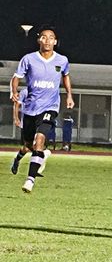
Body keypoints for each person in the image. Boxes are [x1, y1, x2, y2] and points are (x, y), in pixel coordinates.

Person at [10, 26, 73, 192]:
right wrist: (14, 92)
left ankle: (30, 180)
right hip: (31, 109)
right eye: (44, 37)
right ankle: (20, 158)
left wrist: (69, 95)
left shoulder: (62, 60)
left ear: (55, 41)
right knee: (29, 145)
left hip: (50, 107)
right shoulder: (29, 59)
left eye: (51, 37)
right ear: (39, 40)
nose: (47, 40)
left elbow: (65, 76)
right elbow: (16, 78)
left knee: (40, 140)